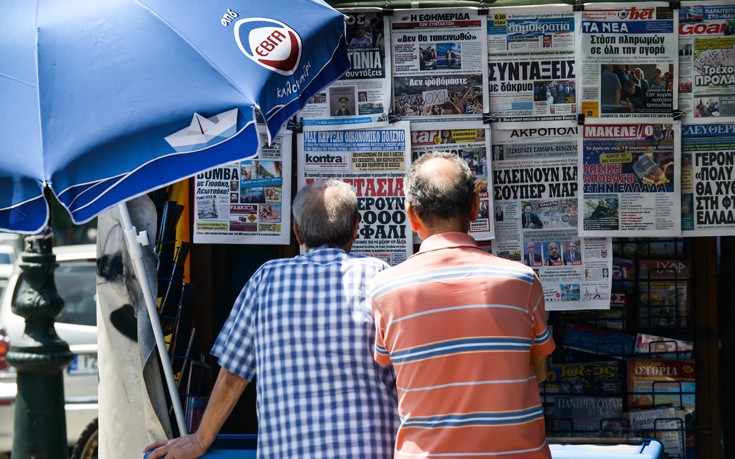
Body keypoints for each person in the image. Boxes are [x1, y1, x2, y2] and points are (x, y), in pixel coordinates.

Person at [145, 180, 399, 459]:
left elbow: (233, 374)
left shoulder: (266, 278)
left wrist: (199, 440)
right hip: (374, 450)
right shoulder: (380, 276)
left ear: (297, 233)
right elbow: (405, 370)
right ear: (355, 228)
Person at [369, 152, 555, 458]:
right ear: (475, 206)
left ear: (411, 215)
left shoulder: (385, 289)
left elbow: (392, 367)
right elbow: (540, 370)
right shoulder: (523, 281)